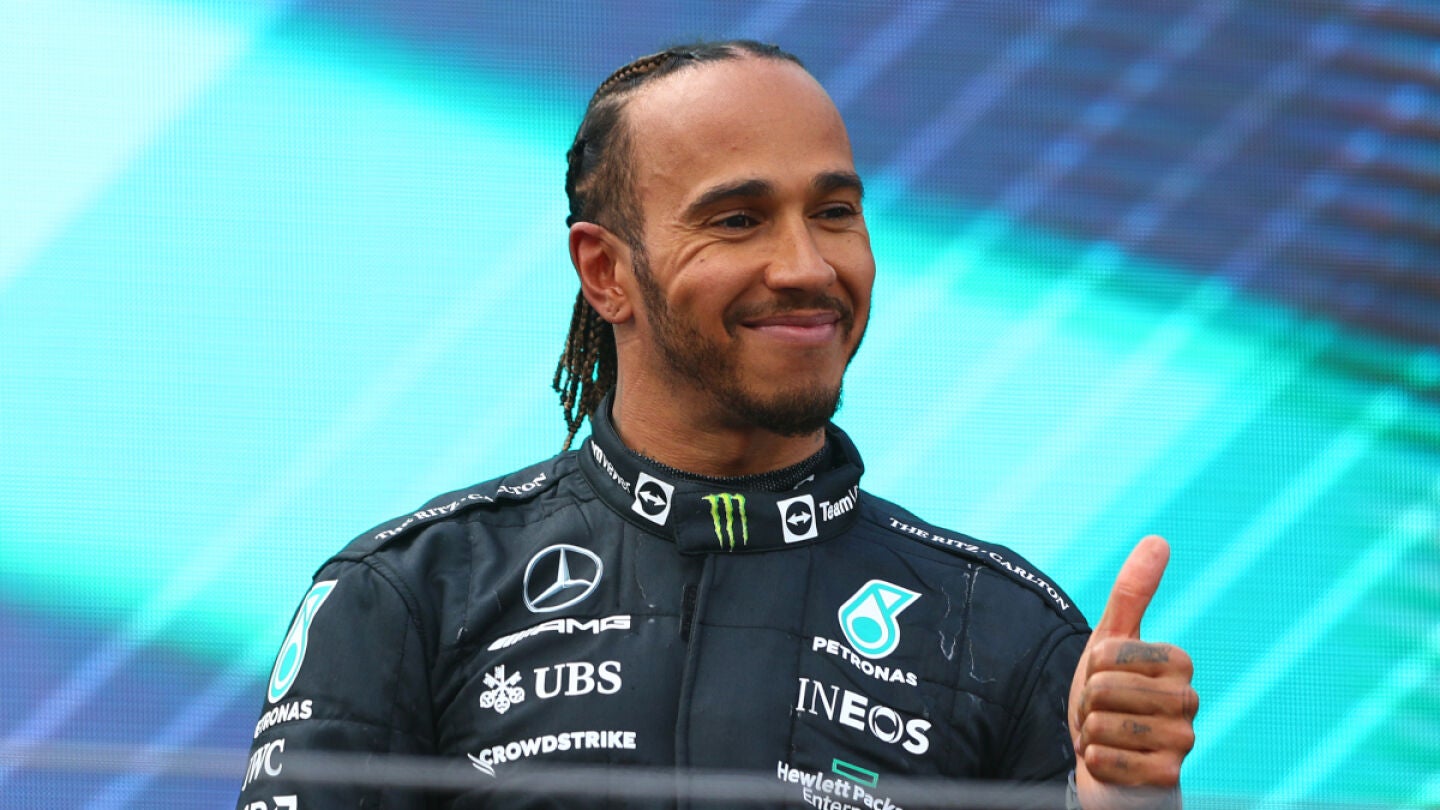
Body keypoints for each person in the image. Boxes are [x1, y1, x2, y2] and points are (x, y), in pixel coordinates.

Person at [236, 40, 1197, 810]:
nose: (808, 267)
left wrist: (1122, 807)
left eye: (834, 211)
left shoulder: (1007, 634)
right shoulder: (410, 596)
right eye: (738, 220)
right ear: (605, 271)